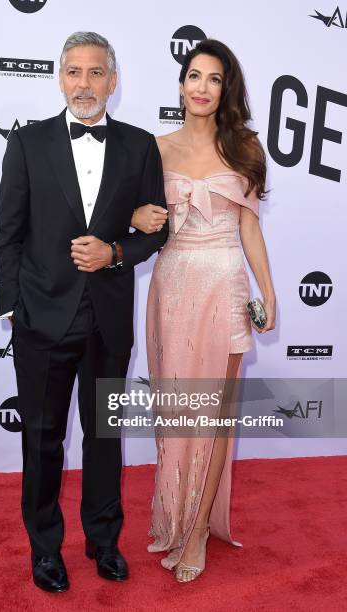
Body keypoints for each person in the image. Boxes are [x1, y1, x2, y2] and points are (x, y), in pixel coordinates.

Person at [0, 31, 168, 593]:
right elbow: (9, 234)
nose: (84, 83)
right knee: (42, 438)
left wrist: (115, 250)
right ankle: (45, 548)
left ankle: (103, 538)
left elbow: (154, 232)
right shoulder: (27, 144)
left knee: (104, 436)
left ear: (113, 82)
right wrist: (12, 307)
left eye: (96, 73)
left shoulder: (141, 147)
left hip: (108, 319)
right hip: (42, 318)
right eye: (74, 71)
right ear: (59, 78)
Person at [131, 39, 276, 582]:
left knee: (214, 419)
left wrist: (270, 292)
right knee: (178, 413)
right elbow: (140, 219)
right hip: (172, 286)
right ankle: (174, 517)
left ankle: (196, 535)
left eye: (214, 79)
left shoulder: (245, 149)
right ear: (181, 83)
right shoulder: (155, 148)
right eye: (194, 75)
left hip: (226, 286)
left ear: (226, 89)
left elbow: (250, 228)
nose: (201, 87)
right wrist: (141, 217)